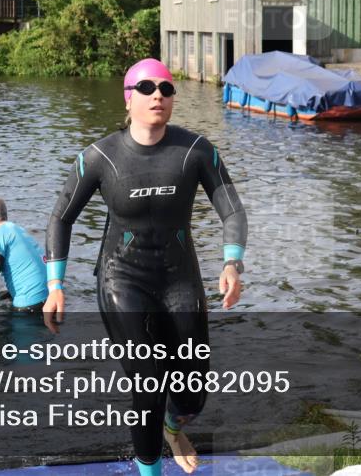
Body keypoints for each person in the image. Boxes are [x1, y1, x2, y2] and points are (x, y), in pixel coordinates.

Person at [44, 58, 248, 476]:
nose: (158, 95)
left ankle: (174, 427)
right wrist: (55, 285)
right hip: (122, 278)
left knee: (192, 393)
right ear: (128, 98)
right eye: (147, 88)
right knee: (148, 379)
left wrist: (231, 263)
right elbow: (61, 218)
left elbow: (232, 210)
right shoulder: (99, 156)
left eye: (167, 89)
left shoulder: (196, 150)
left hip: (179, 278)